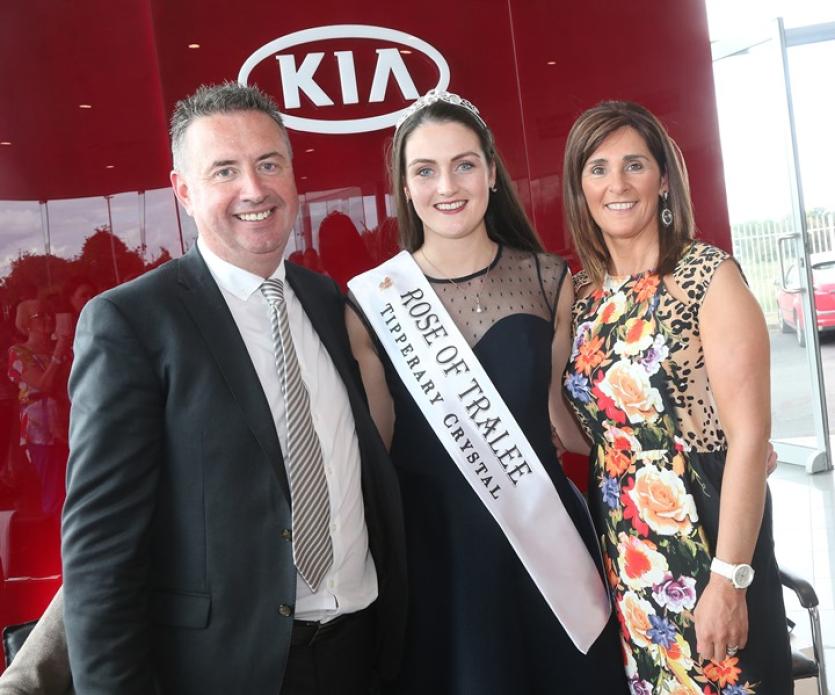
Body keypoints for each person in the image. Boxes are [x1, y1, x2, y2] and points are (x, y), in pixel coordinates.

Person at [60, 82, 406, 695]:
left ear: (293, 174)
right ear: (184, 191)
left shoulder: (328, 301)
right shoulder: (133, 323)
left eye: (269, 163)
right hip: (229, 671)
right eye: (225, 170)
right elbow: (99, 555)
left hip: (362, 650)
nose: (254, 188)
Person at [346, 90, 628, 694]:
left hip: (544, 543)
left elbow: (567, 421)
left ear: (492, 174)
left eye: (464, 164)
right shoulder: (371, 302)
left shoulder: (549, 279)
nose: (447, 185)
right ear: (405, 184)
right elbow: (373, 454)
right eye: (425, 170)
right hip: (439, 557)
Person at [559, 100, 792, 693]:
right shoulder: (583, 296)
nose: (617, 183)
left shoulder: (707, 276)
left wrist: (730, 580)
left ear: (663, 179)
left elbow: (749, 438)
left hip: (709, 542)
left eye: (634, 164)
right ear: (579, 187)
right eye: (598, 168)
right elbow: (575, 428)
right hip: (629, 550)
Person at [7, 299, 71, 517]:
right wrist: (58, 354)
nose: (48, 319)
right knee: (54, 488)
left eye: (49, 314)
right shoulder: (18, 352)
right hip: (40, 431)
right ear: (26, 323)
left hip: (69, 424)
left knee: (74, 484)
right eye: (40, 315)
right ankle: (56, 541)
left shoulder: (62, 350)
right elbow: (44, 384)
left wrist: (64, 351)